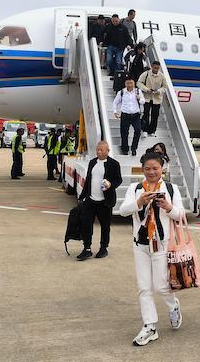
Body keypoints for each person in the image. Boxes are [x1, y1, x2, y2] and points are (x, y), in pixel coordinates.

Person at [119, 152, 185, 346]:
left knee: (162, 286)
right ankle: (150, 326)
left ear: (162, 168)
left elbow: (180, 214)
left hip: (162, 244)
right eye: (147, 168)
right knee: (144, 287)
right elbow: (123, 210)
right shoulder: (136, 188)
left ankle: (173, 306)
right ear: (143, 169)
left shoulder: (171, 188)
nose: (151, 172)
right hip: (140, 244)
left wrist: (168, 206)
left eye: (155, 168)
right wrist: (139, 202)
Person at [77, 141, 123, 261]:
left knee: (105, 226)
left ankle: (103, 248)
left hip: (105, 201)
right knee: (86, 225)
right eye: (97, 149)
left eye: (101, 150)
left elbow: (119, 180)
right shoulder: (92, 162)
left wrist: (110, 184)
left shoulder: (114, 164)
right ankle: (87, 248)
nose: (98, 152)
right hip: (91, 200)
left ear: (108, 151)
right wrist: (82, 196)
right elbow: (88, 181)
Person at [113, 77, 145, 156]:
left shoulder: (138, 91)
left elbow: (143, 101)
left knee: (138, 130)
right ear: (125, 84)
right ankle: (125, 149)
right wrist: (115, 111)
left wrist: (139, 99)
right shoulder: (121, 92)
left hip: (135, 114)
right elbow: (115, 102)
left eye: (131, 83)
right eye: (128, 83)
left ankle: (134, 148)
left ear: (134, 83)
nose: (130, 85)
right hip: (125, 115)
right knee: (124, 133)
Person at [137, 61, 166, 138]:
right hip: (146, 98)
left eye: (157, 68)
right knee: (146, 114)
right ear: (152, 67)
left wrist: (159, 91)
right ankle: (144, 130)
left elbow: (164, 87)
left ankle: (152, 131)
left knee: (155, 115)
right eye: (155, 68)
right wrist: (146, 89)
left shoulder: (162, 76)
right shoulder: (146, 74)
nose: (156, 70)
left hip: (157, 99)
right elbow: (139, 83)